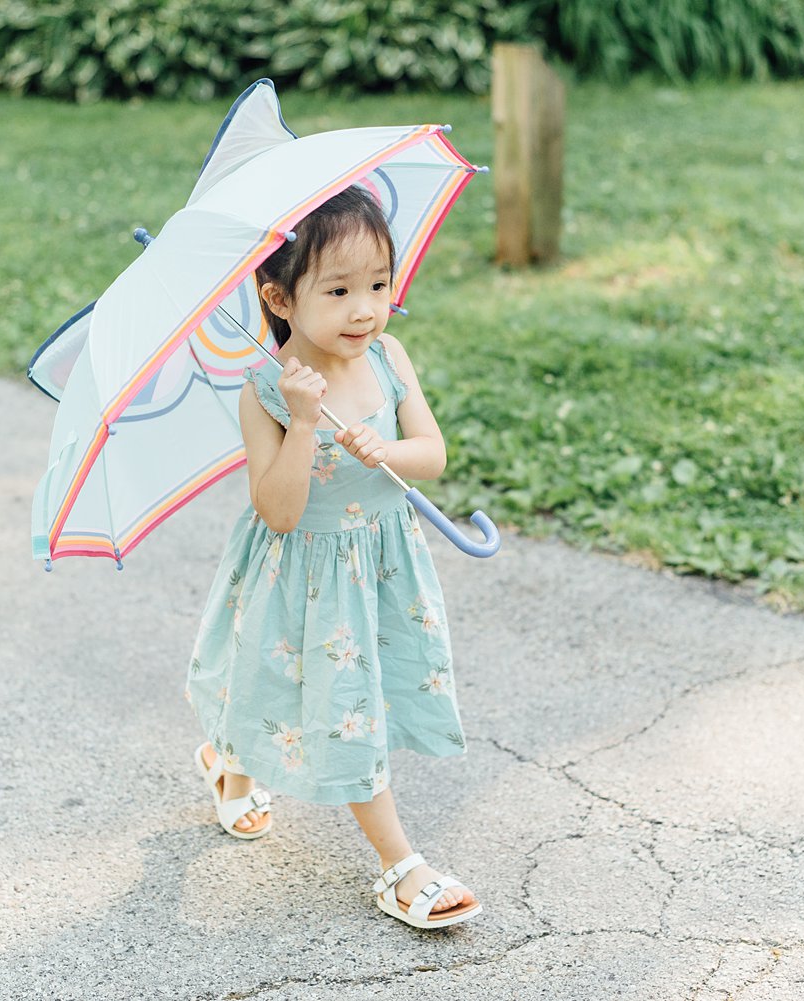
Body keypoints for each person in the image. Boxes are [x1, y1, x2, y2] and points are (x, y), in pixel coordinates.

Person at [183, 184, 482, 929]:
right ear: (280, 298)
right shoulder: (267, 392)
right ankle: (399, 866)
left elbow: (433, 453)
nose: (365, 309)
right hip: (305, 572)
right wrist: (306, 421)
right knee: (330, 708)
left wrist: (390, 449)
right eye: (340, 289)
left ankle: (229, 762)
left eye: (379, 285)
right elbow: (277, 509)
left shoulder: (389, 356)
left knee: (286, 695)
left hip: (382, 563)